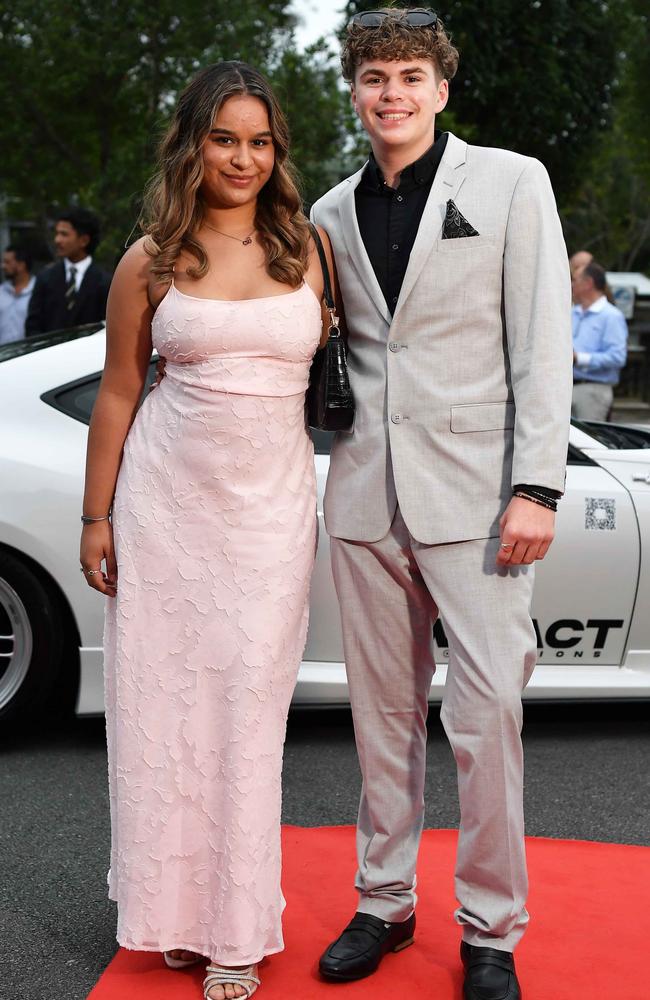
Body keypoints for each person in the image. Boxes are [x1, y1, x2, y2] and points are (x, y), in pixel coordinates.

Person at [311, 10, 572, 1000]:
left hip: (480, 498)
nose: (391, 93)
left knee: (485, 717)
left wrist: (535, 484)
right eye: (373, 76)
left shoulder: (511, 182)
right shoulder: (328, 212)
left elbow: (539, 341)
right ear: (353, 89)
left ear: (440, 88)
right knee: (379, 716)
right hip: (365, 495)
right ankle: (382, 899)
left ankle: (490, 929)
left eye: (409, 75)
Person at [79, 61, 334, 1000]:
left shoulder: (307, 247)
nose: (243, 157)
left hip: (268, 519)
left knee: (246, 722)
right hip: (166, 510)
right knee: (164, 717)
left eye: (260, 141)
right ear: (193, 143)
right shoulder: (150, 260)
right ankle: (175, 916)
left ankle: (235, 927)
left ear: (277, 152)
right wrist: (96, 515)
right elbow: (117, 393)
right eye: (225, 138)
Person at [25, 207, 110, 335]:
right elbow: (32, 326)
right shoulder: (45, 278)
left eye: (64, 234)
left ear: (84, 240)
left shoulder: (105, 282)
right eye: (57, 233)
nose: (57, 240)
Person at [571, 260, 628, 420]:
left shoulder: (611, 316)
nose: (571, 284)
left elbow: (617, 357)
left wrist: (578, 358)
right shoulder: (572, 313)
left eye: (575, 279)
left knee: (587, 443)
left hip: (593, 390)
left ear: (588, 283)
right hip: (565, 386)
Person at [0, 245, 35, 344]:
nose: (2, 266)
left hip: (30, 354)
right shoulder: (1, 292)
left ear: (21, 265)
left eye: (7, 262)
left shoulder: (37, 291)